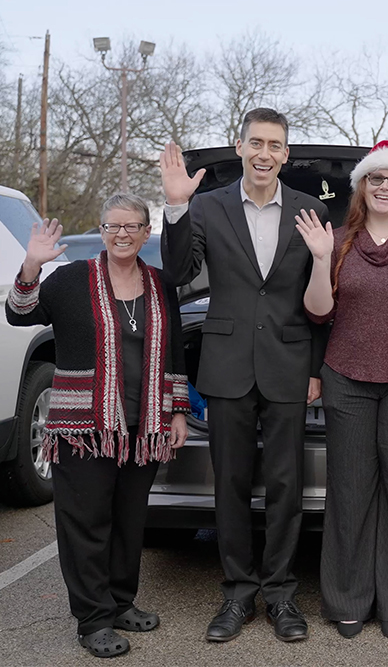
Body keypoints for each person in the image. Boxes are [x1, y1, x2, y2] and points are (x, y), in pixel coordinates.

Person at [158, 108, 329, 642]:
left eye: (275, 145)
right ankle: (237, 594)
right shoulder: (206, 206)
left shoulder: (308, 211)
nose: (264, 153)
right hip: (227, 365)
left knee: (286, 485)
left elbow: (323, 304)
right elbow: (178, 272)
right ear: (240, 146)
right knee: (229, 484)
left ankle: (280, 594)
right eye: (256, 142)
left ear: (285, 154)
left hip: (289, 364)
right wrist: (175, 206)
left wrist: (317, 368)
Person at [6, 195, 189, 658]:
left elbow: (175, 351)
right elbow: (19, 313)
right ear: (102, 230)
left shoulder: (161, 284)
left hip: (143, 424)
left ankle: (121, 601)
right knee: (86, 523)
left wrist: (179, 410)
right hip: (82, 426)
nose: (122, 234)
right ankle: (92, 619)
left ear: (147, 232)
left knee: (130, 521)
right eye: (113, 226)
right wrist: (31, 265)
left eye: (132, 227)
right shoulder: (70, 280)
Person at [295, 141, 388, 639]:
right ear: (362, 186)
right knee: (350, 492)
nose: (385, 187)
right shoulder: (336, 240)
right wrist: (320, 260)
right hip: (347, 379)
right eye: (376, 179)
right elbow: (318, 312)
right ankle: (347, 599)